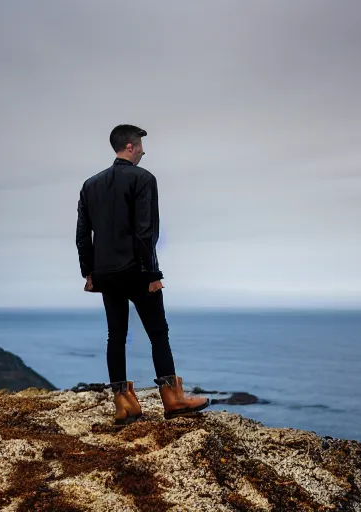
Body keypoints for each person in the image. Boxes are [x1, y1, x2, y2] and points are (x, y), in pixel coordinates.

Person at [75, 124, 209, 425]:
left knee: (116, 336)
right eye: (141, 147)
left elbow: (82, 235)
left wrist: (89, 272)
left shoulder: (89, 185)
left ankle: (125, 405)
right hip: (137, 270)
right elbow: (146, 230)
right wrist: (152, 272)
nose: (144, 153)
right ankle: (173, 399)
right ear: (131, 147)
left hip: (105, 273)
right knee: (158, 333)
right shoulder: (143, 178)